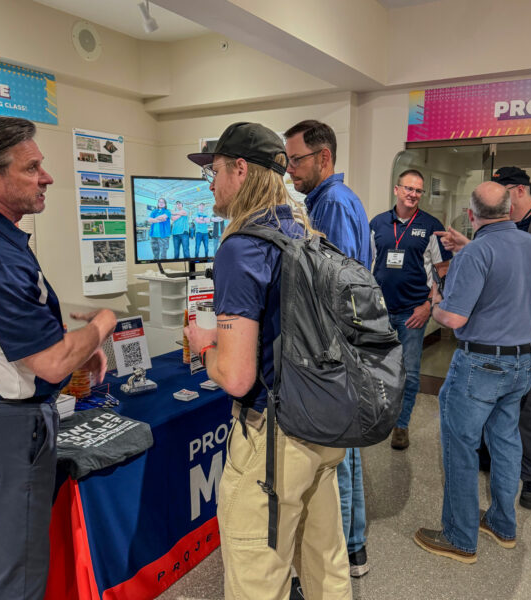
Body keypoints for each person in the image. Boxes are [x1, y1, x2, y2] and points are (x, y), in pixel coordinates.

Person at [184, 122, 352, 600]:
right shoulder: (304, 231)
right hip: (323, 427)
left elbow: (236, 377)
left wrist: (205, 346)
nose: (211, 183)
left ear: (239, 168)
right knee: (325, 565)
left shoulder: (241, 248)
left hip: (273, 441)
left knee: (258, 576)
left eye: (213, 171)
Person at [0, 115, 117, 600]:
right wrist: (102, 324)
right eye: (32, 167)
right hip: (8, 429)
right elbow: (53, 363)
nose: (48, 177)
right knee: (15, 577)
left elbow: (16, 332)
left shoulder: (4, 238)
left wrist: (70, 347)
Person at [414, 181, 531, 563]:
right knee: (505, 442)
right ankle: (503, 525)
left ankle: (459, 537)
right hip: (521, 363)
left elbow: (454, 318)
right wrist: (469, 249)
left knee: (460, 446)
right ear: (509, 208)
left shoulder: (477, 254)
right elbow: (502, 265)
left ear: (471, 215)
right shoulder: (529, 244)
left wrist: (435, 304)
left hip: (481, 365)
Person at [437, 167, 531, 510]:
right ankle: (501, 508)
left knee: (527, 412)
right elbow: (506, 264)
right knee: (506, 427)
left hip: (523, 342)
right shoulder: (523, 238)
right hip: (517, 343)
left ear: (516, 192)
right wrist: (471, 247)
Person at [284, 119, 370, 579]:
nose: (290, 170)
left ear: (324, 158)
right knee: (346, 452)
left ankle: (350, 546)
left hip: (335, 351)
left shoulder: (331, 204)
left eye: (297, 160)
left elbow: (333, 284)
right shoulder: (335, 200)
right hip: (345, 349)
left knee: (340, 457)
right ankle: (353, 547)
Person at [370, 169, 452, 450]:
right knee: (377, 368)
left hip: (412, 315)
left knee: (411, 373)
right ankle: (378, 419)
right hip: (380, 312)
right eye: (408, 188)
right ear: (396, 190)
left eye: (418, 190)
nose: (413, 194)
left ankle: (401, 425)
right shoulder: (378, 224)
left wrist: (429, 305)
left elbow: (443, 270)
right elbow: (366, 266)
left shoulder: (430, 225)